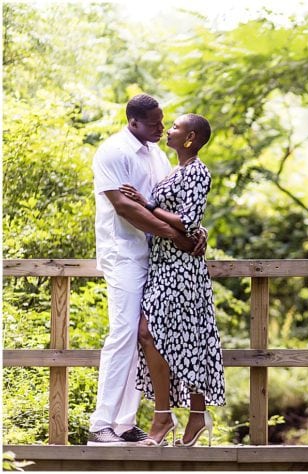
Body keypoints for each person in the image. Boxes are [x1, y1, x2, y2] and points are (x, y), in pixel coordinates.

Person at [89, 94, 205, 446]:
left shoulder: (155, 154)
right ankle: (100, 424)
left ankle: (124, 424)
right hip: (123, 253)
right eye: (154, 123)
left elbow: (170, 204)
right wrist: (177, 235)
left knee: (146, 336)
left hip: (155, 258)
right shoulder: (113, 152)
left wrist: (196, 230)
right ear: (133, 122)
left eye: (163, 122)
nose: (160, 128)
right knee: (123, 333)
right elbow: (125, 207)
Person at [119, 113, 226, 447]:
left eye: (176, 127)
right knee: (161, 335)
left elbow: (190, 221)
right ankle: (180, 416)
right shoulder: (174, 170)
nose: (169, 130)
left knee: (166, 335)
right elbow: (187, 220)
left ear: (190, 138)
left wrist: (146, 203)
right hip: (161, 264)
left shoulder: (198, 170)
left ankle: (177, 417)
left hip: (181, 267)